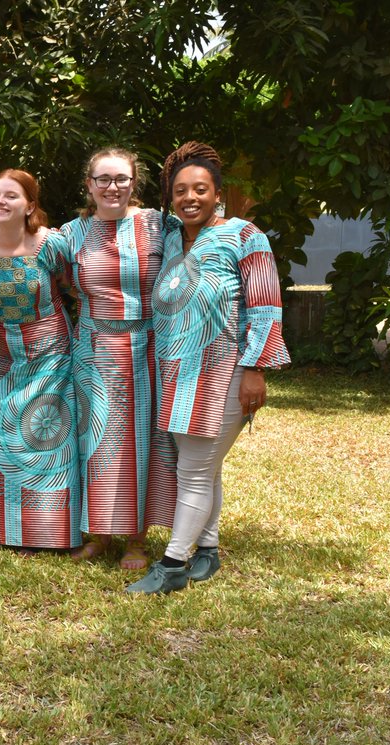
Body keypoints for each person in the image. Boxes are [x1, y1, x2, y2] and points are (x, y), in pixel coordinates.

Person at [128, 142, 290, 594]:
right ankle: (208, 550)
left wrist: (256, 368)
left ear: (218, 193)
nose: (190, 198)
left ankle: (172, 564)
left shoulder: (244, 234)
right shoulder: (170, 236)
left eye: (200, 189)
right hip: (177, 371)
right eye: (180, 191)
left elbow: (265, 305)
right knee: (203, 466)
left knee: (195, 470)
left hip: (225, 372)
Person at [60, 147, 176, 570]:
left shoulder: (159, 225)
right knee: (96, 441)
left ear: (134, 183)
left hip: (147, 347)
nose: (113, 187)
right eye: (103, 179)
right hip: (92, 349)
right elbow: (46, 271)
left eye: (121, 179)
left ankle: (137, 541)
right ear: (89, 185)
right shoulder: (71, 232)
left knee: (144, 442)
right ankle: (99, 533)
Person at [0, 170, 80, 553]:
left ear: (29, 206)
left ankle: (48, 532)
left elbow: (73, 289)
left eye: (11, 196)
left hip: (50, 352)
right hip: (2, 354)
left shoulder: (50, 244)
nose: (0, 201)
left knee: (47, 437)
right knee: (1, 440)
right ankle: (0, 532)